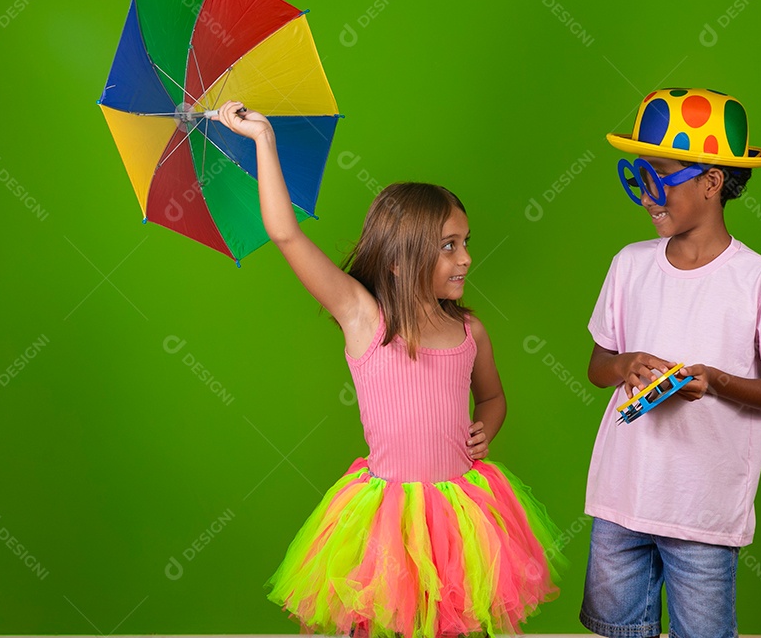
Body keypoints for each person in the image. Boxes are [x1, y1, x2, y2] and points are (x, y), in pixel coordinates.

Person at [212, 101, 561, 638]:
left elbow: (492, 398)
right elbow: (286, 235)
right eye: (448, 247)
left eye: (465, 243)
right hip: (385, 515)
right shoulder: (363, 317)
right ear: (399, 258)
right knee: (376, 618)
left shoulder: (471, 332)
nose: (465, 258)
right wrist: (263, 140)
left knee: (458, 619)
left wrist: (483, 431)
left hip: (460, 513)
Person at [580, 88, 761, 638]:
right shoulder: (629, 264)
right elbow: (598, 365)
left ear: (711, 182)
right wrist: (626, 365)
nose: (646, 194)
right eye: (640, 175)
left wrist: (714, 381)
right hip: (621, 499)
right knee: (618, 630)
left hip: (703, 513)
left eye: (660, 175)